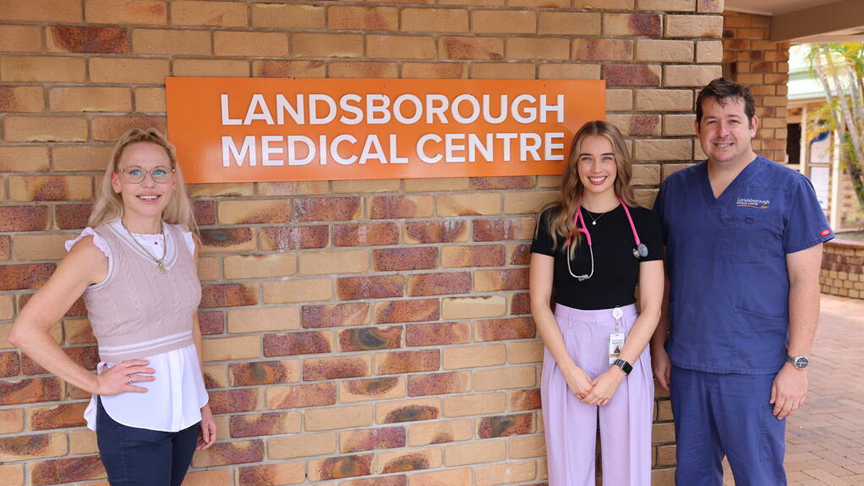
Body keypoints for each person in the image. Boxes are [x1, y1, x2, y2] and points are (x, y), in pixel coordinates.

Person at [650, 78, 834, 486]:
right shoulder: (677, 190)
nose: (722, 132)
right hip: (690, 362)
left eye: (732, 120)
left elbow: (806, 283)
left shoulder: (789, 189)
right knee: (694, 475)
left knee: (760, 476)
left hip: (757, 369)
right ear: (698, 129)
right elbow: (661, 277)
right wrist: (659, 346)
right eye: (711, 121)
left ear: (752, 125)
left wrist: (797, 365)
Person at [9, 128, 217, 486]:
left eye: (159, 172)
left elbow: (189, 324)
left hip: (185, 414)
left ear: (172, 182)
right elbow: (25, 331)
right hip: (133, 417)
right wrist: (94, 382)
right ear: (116, 181)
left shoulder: (185, 243)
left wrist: (203, 403)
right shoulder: (96, 249)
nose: (148, 182)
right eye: (135, 172)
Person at [530, 120, 665, 485]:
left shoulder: (643, 223)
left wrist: (619, 370)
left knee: (629, 465)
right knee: (569, 467)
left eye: (606, 158)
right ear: (575, 165)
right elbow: (540, 302)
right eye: (586, 159)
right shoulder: (553, 221)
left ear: (619, 163)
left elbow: (652, 307)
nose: (596, 169)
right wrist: (568, 369)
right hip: (566, 344)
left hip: (626, 345)